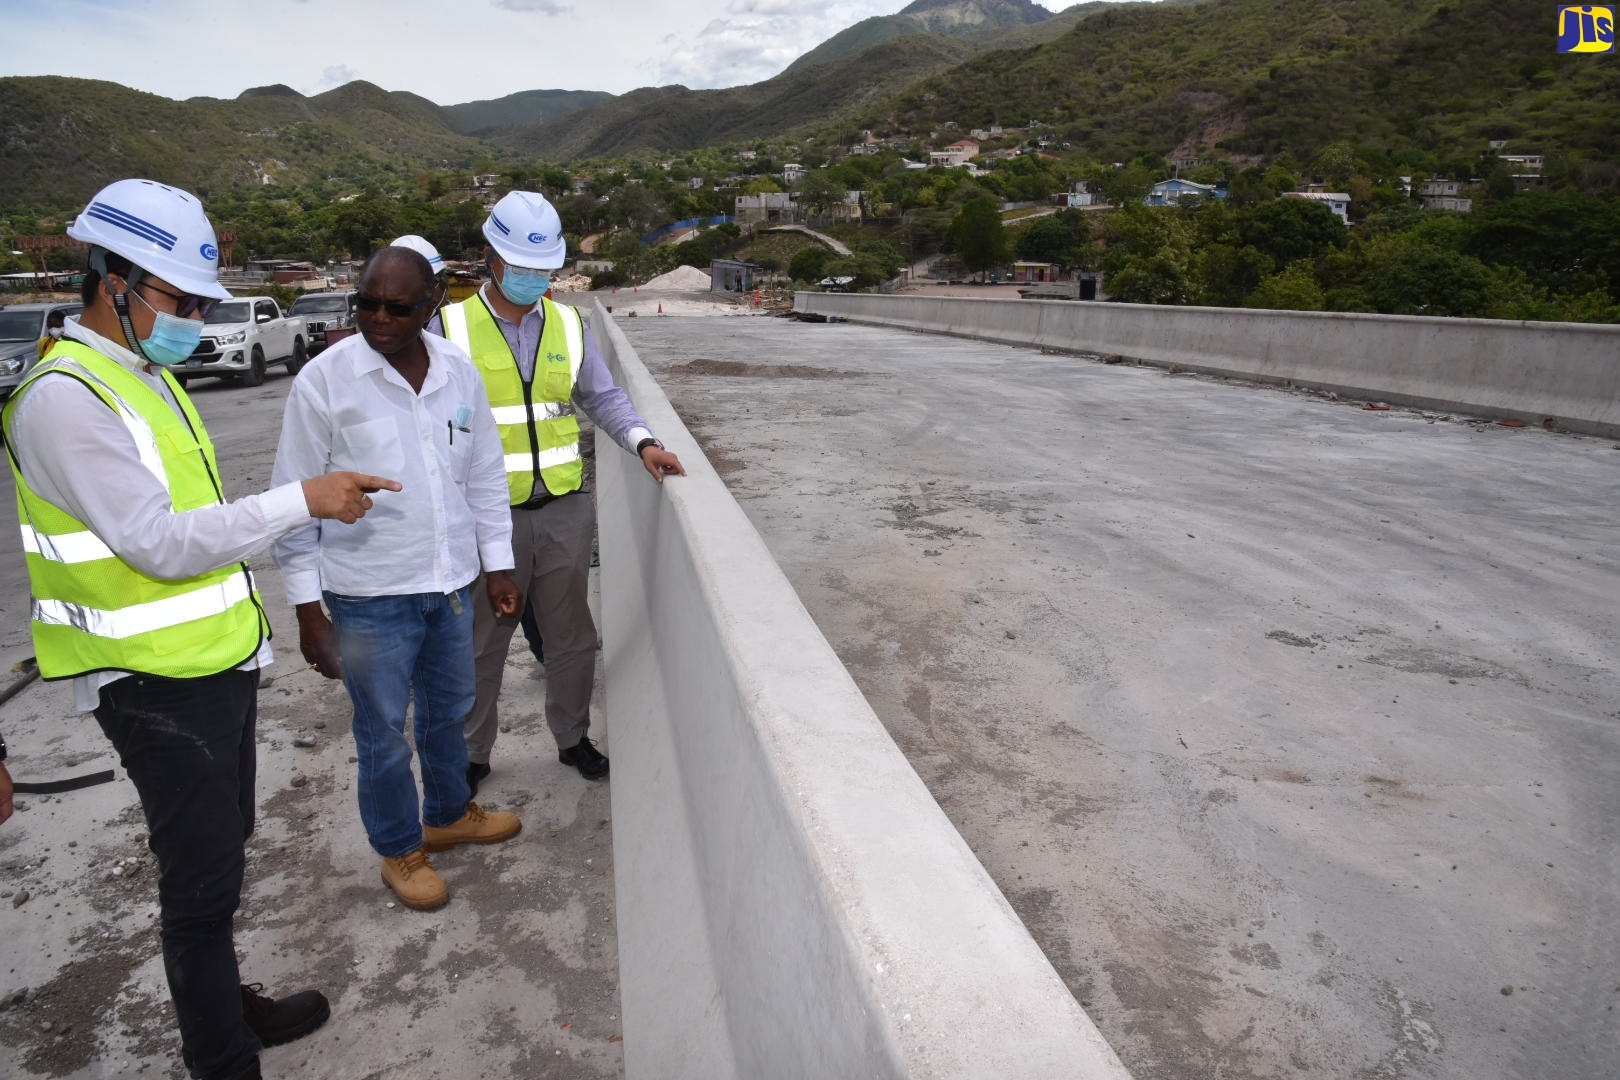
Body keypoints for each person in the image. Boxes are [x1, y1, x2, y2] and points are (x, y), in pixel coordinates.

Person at [1, 178, 397, 1080]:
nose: (190, 318)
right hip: (150, 684)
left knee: (221, 855)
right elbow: (160, 545)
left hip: (206, 667)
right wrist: (302, 500)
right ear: (112, 279)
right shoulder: (68, 399)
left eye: (198, 303)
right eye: (177, 300)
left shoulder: (139, 374)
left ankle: (224, 1004)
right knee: (200, 878)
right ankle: (220, 1054)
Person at [271, 246, 524, 912]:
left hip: (449, 585)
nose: (378, 319)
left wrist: (497, 564)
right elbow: (294, 496)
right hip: (367, 595)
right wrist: (307, 610)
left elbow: (483, 476)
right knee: (382, 732)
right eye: (367, 304)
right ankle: (398, 847)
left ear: (433, 303)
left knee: (448, 714)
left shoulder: (459, 374)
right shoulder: (324, 382)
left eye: (397, 307)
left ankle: (445, 813)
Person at [435, 191, 685, 793]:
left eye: (544, 272)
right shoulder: (447, 328)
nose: (534, 281)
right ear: (492, 259)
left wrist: (643, 442)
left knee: (572, 637)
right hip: (487, 518)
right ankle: (472, 753)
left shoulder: (569, 324)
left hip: (565, 510)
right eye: (523, 268)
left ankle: (572, 739)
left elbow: (601, 397)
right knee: (481, 643)